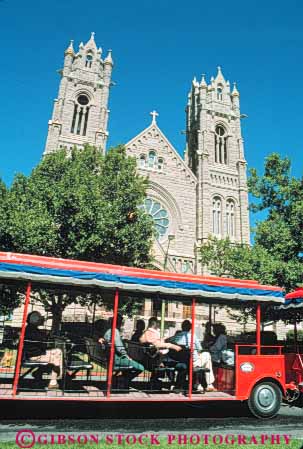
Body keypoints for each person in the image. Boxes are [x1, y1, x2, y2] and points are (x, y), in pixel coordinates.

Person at [170, 320, 216, 393]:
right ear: (190, 328)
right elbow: (200, 349)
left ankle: (199, 383)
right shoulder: (193, 336)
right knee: (207, 355)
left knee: (203, 357)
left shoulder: (177, 336)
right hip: (192, 362)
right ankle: (209, 383)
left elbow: (168, 340)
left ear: (182, 327)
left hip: (181, 360)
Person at [23, 311, 63, 390]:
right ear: (35, 320)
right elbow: (43, 343)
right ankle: (53, 381)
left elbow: (41, 342)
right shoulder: (32, 331)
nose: (43, 320)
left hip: (33, 354)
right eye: (41, 319)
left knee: (56, 354)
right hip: (34, 356)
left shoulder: (31, 329)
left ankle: (40, 373)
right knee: (58, 354)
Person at [103, 314, 144, 384]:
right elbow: (119, 347)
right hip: (116, 359)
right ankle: (123, 380)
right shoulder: (115, 332)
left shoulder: (108, 331)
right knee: (140, 367)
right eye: (121, 322)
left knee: (130, 365)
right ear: (118, 323)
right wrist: (126, 356)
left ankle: (120, 379)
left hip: (109, 357)